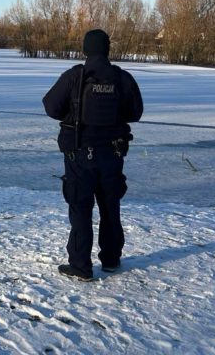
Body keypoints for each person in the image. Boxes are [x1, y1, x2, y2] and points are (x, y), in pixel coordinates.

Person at [42, 29, 143, 281]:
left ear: (86, 49)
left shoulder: (74, 76)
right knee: (110, 206)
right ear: (107, 49)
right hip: (112, 153)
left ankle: (80, 265)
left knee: (80, 207)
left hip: (79, 155)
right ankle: (110, 259)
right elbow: (136, 112)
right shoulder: (122, 78)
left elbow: (51, 106)